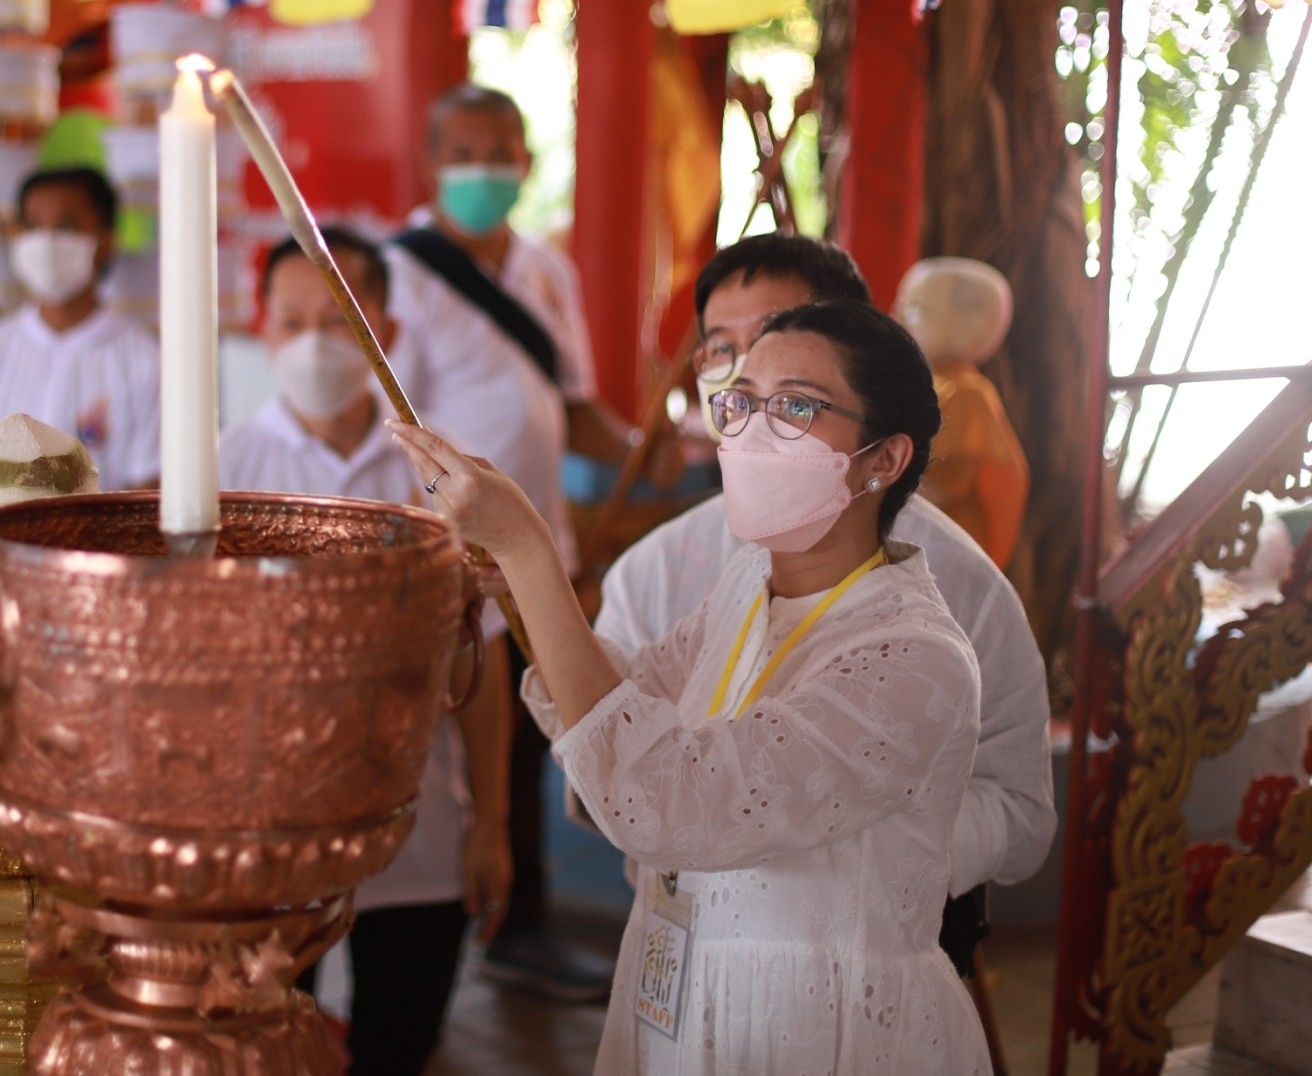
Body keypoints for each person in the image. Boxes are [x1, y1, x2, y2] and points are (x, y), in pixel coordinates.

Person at [391, 301, 991, 1073]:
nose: (749, 430)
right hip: (682, 1002)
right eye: (739, 402)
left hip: (825, 1028)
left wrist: (532, 553)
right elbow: (624, 705)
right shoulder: (745, 588)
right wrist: (515, 574)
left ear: (883, 458)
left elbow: (671, 798)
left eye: (796, 406)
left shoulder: (912, 656)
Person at [598, 234, 1055, 981]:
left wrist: (867, 850)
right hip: (676, 957)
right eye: (723, 350)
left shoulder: (955, 583)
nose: (749, 372)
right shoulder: (653, 570)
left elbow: (1022, 810)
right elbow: (603, 731)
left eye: (780, 338)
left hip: (851, 971)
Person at [221, 230, 512, 1076]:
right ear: (263, 328)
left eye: (340, 318)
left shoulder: (444, 476)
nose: (316, 340)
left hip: (419, 832)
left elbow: (479, 664)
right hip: (265, 837)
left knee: (401, 1044)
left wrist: (490, 824)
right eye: (294, 318)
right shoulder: (224, 469)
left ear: (385, 324)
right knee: (259, 1050)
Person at [385, 84, 631, 999]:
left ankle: (522, 920)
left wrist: (684, 446)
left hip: (541, 545)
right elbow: (392, 424)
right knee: (460, 726)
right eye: (466, 150)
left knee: (539, 723)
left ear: (527, 161)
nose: (485, 168)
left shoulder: (545, 270)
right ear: (432, 161)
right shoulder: (401, 272)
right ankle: (448, 918)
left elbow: (577, 408)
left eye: (502, 150)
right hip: (452, 546)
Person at [0, 163, 159, 488]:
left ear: (105, 241)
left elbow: (148, 492)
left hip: (96, 539)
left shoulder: (144, 360)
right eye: (32, 227)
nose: (46, 242)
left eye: (65, 227)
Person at [894, 257, 1030, 569]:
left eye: (917, 310)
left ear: (970, 326)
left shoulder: (965, 393)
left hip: (939, 554)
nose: (898, 318)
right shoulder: (925, 386)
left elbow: (945, 484)